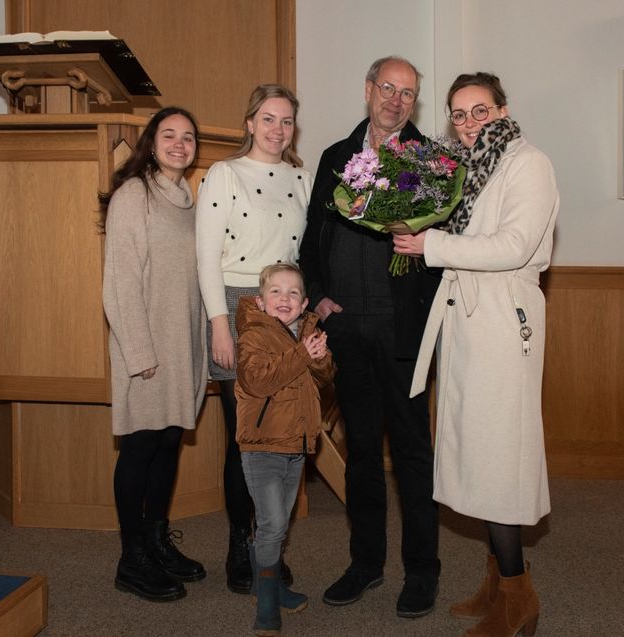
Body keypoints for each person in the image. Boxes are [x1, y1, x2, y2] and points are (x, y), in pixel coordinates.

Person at [392, 72, 559, 636]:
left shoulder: (526, 163)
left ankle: (519, 599)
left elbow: (513, 246)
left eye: (479, 112)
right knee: (476, 452)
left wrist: (429, 244)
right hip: (465, 318)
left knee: (500, 459)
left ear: (502, 110)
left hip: (502, 323)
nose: (467, 124)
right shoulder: (460, 167)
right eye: (458, 114)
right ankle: (498, 583)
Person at [299, 55, 441, 618]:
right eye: (388, 88)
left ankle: (422, 571)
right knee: (360, 451)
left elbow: (437, 247)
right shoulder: (336, 156)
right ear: (368, 90)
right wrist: (318, 294)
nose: (396, 100)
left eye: (407, 93)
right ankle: (365, 564)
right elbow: (313, 236)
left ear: (415, 102)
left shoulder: (430, 161)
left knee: (411, 451)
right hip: (348, 327)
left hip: (403, 330)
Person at [195, 84, 313, 594]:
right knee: (246, 438)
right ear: (249, 123)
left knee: (282, 434)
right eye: (268, 119)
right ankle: (240, 546)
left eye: (286, 121)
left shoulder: (301, 176)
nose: (277, 130)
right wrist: (220, 322)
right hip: (239, 305)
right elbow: (205, 255)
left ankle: (270, 542)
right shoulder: (224, 173)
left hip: (284, 303)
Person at [101, 107, 208, 603]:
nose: (179, 144)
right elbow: (119, 281)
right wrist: (138, 352)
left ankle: (157, 540)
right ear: (151, 141)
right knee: (140, 448)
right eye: (169, 135)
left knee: (168, 443)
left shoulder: (190, 199)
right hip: (145, 347)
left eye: (188, 138)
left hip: (182, 342)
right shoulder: (134, 194)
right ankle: (132, 557)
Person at [235, 263, 335, 635]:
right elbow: (258, 380)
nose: (284, 298)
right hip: (261, 446)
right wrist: (303, 355)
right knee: (274, 524)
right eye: (275, 291)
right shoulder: (254, 334)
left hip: (297, 444)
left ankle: (269, 581)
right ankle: (266, 604)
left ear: (305, 302)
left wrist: (321, 357)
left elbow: (326, 377)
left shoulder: (308, 332)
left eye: (293, 293)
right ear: (261, 302)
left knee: (277, 522)